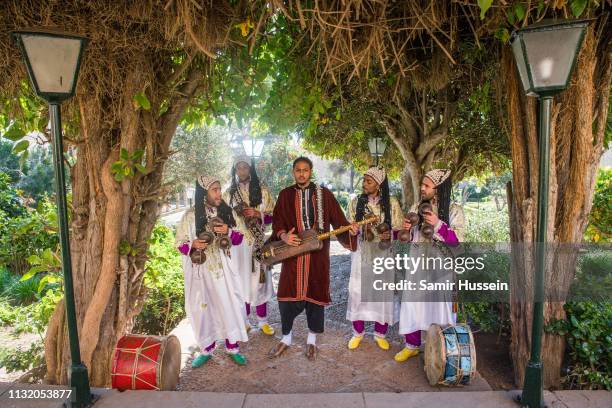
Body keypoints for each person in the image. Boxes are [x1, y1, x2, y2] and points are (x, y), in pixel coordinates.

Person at [267, 156, 359, 361]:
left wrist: (350, 230)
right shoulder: (284, 195)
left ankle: (311, 340)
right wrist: (284, 236)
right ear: (293, 172)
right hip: (293, 254)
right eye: (298, 170)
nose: (301, 173)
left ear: (310, 172)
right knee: (286, 295)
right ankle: (287, 337)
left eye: (305, 170)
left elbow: (339, 219)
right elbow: (278, 222)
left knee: (315, 295)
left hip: (318, 256)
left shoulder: (324, 195)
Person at [175, 175, 249, 367]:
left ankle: (233, 347)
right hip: (201, 273)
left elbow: (240, 237)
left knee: (229, 306)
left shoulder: (226, 211)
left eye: (219, 188)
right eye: (214, 190)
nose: (218, 193)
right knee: (202, 310)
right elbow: (179, 243)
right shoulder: (190, 216)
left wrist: (228, 232)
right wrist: (192, 245)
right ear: (204, 193)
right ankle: (207, 349)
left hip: (224, 272)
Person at [395, 168, 465, 362]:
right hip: (417, 264)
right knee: (412, 304)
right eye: (422, 184)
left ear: (439, 188)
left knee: (441, 308)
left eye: (427, 185)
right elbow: (407, 239)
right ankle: (412, 345)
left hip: (440, 267)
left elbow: (458, 244)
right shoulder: (417, 206)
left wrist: (438, 224)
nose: (422, 188)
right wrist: (407, 230)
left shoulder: (454, 210)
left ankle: (445, 349)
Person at [346, 166, 405, 351]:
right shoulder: (356, 202)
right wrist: (353, 230)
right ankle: (358, 333)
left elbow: (401, 229)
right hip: (362, 254)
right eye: (363, 180)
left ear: (378, 185)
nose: (364, 184)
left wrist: (391, 235)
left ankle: (380, 334)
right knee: (357, 291)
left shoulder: (392, 203)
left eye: (368, 181)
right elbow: (348, 226)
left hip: (383, 253)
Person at [224, 155, 276, 336]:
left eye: (245, 167)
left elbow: (271, 216)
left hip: (257, 242)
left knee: (259, 281)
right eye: (239, 168)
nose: (242, 171)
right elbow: (223, 218)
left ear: (250, 169)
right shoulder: (228, 194)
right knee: (241, 280)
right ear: (235, 170)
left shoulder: (262, 190)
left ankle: (263, 321)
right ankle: (244, 321)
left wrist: (257, 213)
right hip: (238, 244)